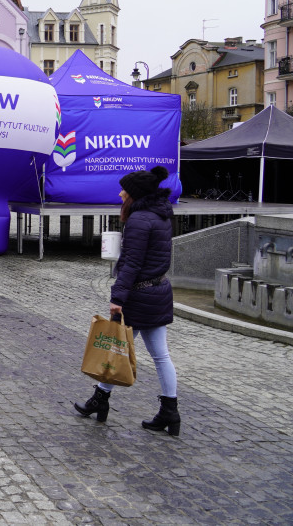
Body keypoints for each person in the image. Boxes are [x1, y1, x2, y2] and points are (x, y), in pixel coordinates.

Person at [74, 166, 181, 436]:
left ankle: (100, 401)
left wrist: (117, 297)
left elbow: (131, 263)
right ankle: (169, 412)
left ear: (135, 195)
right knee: (158, 355)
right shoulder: (161, 216)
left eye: (125, 189)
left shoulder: (139, 220)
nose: (120, 193)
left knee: (116, 348)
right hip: (158, 291)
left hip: (139, 295)